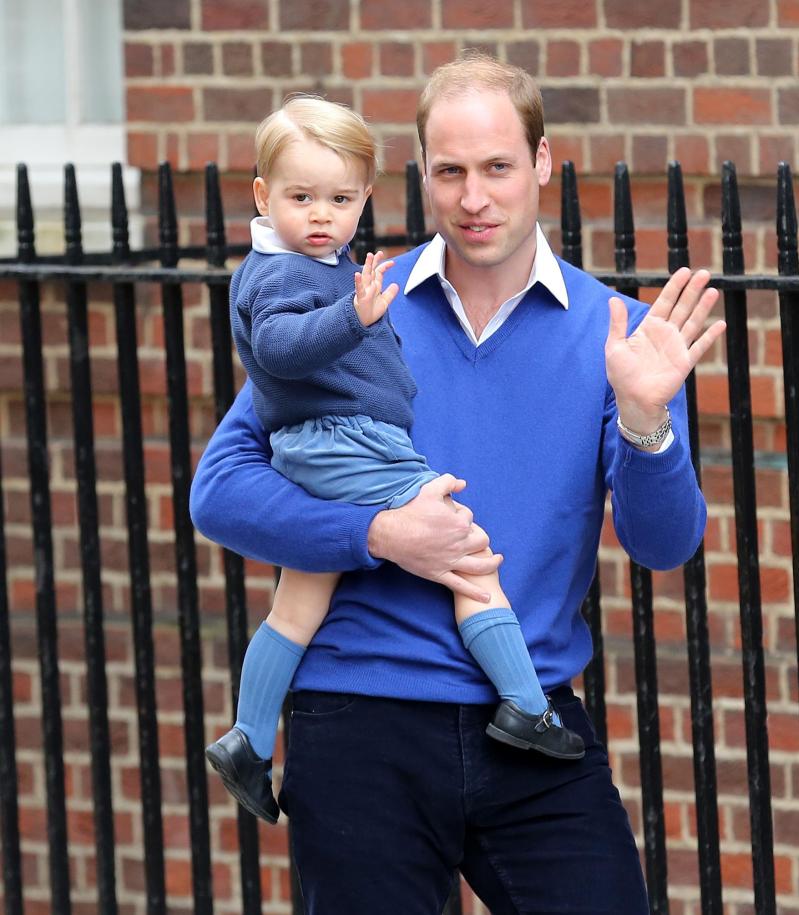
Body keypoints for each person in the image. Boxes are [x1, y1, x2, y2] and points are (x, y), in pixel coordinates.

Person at [191, 53, 725, 914]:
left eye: (497, 168)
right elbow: (218, 492)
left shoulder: (619, 334)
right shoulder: (359, 299)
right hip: (360, 723)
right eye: (450, 172)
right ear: (423, 176)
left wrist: (644, 418)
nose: (474, 197)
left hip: (533, 728)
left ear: (542, 165)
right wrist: (377, 535)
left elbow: (665, 545)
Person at [204, 93, 585, 827]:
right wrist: (356, 314)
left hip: (327, 442)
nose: (322, 215)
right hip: (349, 442)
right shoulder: (291, 274)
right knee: (468, 553)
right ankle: (528, 706)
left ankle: (249, 738)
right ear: (262, 196)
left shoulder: (318, 264)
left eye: (340, 199)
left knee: (300, 598)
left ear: (367, 198)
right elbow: (280, 353)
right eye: (302, 196)